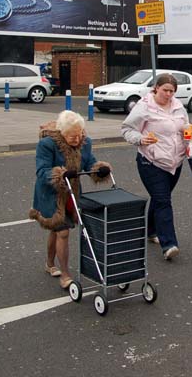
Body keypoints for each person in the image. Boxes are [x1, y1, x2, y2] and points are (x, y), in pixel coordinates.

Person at [29, 110, 111, 289]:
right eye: (71, 136)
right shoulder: (47, 144)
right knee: (62, 231)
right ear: (62, 133)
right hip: (51, 193)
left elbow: (89, 163)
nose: (77, 139)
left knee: (57, 230)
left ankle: (50, 264)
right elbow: (42, 171)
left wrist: (99, 169)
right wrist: (61, 174)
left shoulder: (85, 142)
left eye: (79, 134)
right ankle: (65, 274)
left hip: (72, 193)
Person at [121, 73, 189, 261]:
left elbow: (186, 126)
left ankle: (151, 230)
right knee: (163, 200)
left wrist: (189, 137)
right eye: (165, 90)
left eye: (172, 91)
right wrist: (141, 139)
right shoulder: (144, 107)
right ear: (156, 88)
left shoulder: (178, 106)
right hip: (150, 161)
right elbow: (126, 129)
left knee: (160, 199)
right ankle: (169, 244)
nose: (168, 94)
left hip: (175, 162)